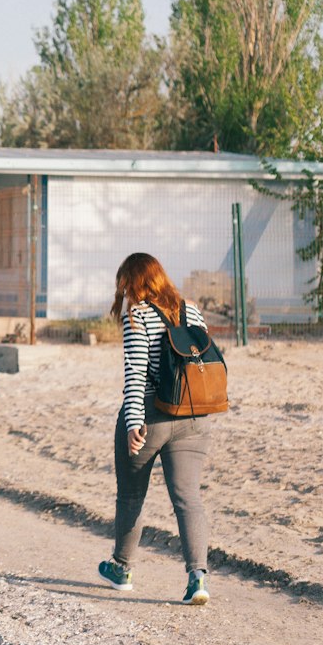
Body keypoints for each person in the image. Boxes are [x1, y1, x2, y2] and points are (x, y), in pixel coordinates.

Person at [98, 252, 216, 606]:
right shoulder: (191, 310)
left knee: (132, 495)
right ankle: (198, 577)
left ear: (133, 283)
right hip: (194, 414)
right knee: (188, 498)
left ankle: (121, 568)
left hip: (152, 416)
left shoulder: (138, 316)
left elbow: (135, 375)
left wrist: (135, 422)